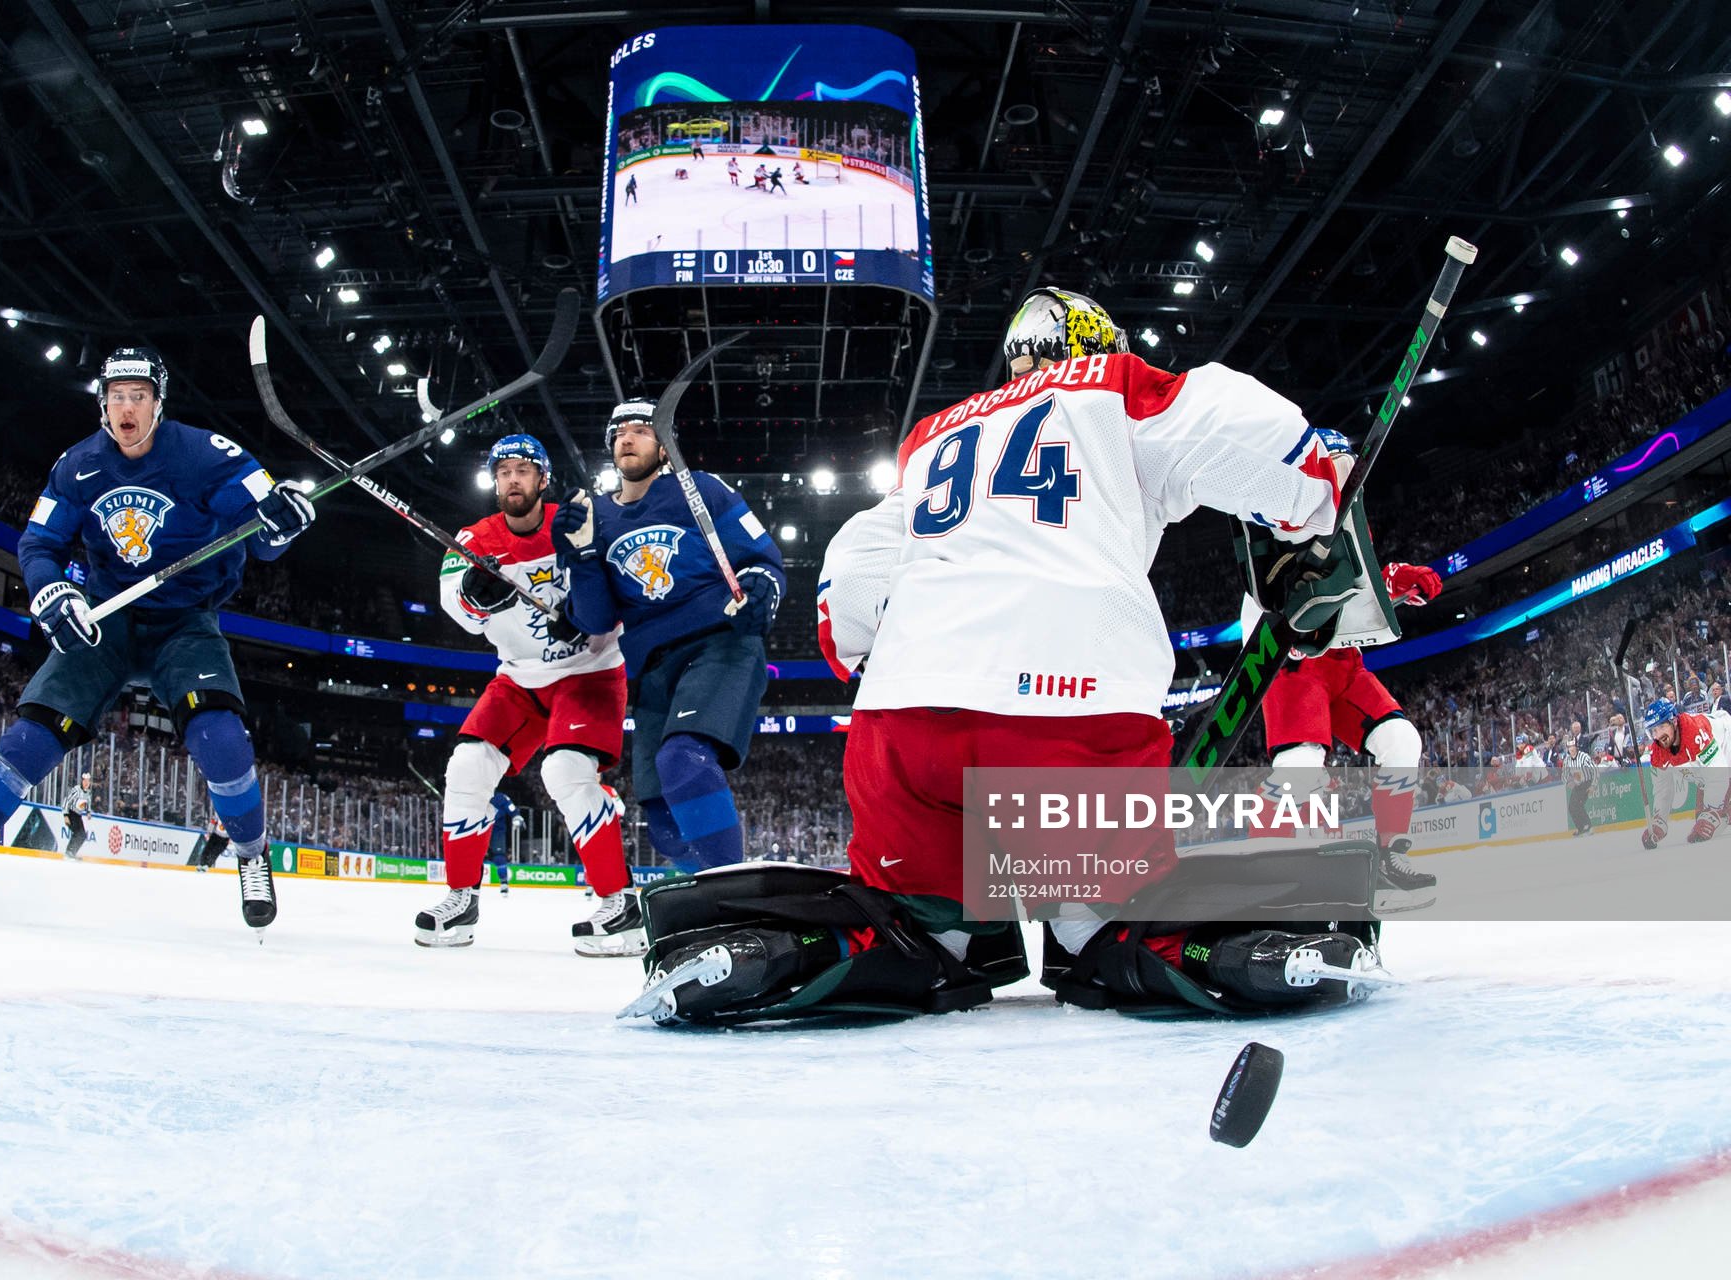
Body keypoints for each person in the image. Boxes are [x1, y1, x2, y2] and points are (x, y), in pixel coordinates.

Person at [622, 287, 1392, 1025]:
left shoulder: (934, 435)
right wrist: (1316, 498)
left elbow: (852, 571)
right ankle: (1221, 950)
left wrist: (885, 662)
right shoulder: (1113, 386)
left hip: (905, 724)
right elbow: (1230, 421)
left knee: (925, 928)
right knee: (1100, 926)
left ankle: (790, 945)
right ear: (1095, 345)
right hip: (1070, 716)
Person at [0, 347, 315, 933]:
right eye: (116, 395)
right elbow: (39, 545)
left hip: (185, 620)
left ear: (158, 403)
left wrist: (281, 525)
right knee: (35, 734)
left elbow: (258, 534)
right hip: (106, 617)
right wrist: (54, 592)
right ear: (103, 403)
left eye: (139, 396)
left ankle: (253, 856)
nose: (126, 407)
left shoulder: (207, 456)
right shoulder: (76, 466)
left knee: (220, 737)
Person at [411, 435, 636, 956]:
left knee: (564, 771)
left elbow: (620, 583)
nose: (512, 479)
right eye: (503, 471)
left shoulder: (580, 519)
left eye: (523, 470)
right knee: (466, 765)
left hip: (591, 671)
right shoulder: (472, 540)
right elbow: (461, 615)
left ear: (543, 479)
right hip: (519, 679)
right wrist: (476, 597)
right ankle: (461, 898)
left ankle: (619, 904)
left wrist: (583, 610)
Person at [552, 399, 784, 879]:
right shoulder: (593, 514)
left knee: (684, 760)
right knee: (661, 820)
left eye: (641, 430)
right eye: (619, 433)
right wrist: (579, 557)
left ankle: (731, 899)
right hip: (654, 666)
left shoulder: (700, 489)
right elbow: (595, 621)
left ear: (664, 445)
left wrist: (764, 586)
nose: (628, 439)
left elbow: (762, 559)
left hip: (720, 641)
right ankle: (704, 893)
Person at [1247, 555, 1444, 911]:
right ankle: (1265, 877)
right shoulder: (1277, 515)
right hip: (1294, 668)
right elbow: (1259, 586)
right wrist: (1267, 636)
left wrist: (1392, 580)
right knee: (1300, 768)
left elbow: (1355, 581)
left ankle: (1390, 859)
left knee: (1402, 740)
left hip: (1344, 665)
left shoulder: (1343, 505)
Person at [1639, 697, 1731, 848]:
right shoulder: (1658, 752)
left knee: (1709, 824)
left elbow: (1719, 772)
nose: (1658, 735)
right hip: (1707, 774)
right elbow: (1662, 789)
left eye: (1661, 727)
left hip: (1727, 747)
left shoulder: (1695, 731)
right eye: (1653, 730)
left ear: (1674, 721)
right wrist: (1658, 822)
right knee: (1701, 827)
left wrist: (1712, 812)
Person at [485, 790, 516, 895]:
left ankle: (504, 883)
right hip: (477, 830)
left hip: (497, 832)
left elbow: (511, 807)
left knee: (499, 857)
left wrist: (516, 815)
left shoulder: (500, 797)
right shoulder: (476, 795)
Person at [61, 770, 93, 859]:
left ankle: (72, 853)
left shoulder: (88, 793)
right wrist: (66, 815)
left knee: (82, 835)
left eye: (88, 781)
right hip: (71, 813)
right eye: (85, 781)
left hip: (78, 816)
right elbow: (67, 801)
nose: (86, 783)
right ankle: (69, 852)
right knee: (78, 833)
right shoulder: (76, 790)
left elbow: (88, 803)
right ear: (82, 781)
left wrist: (88, 812)